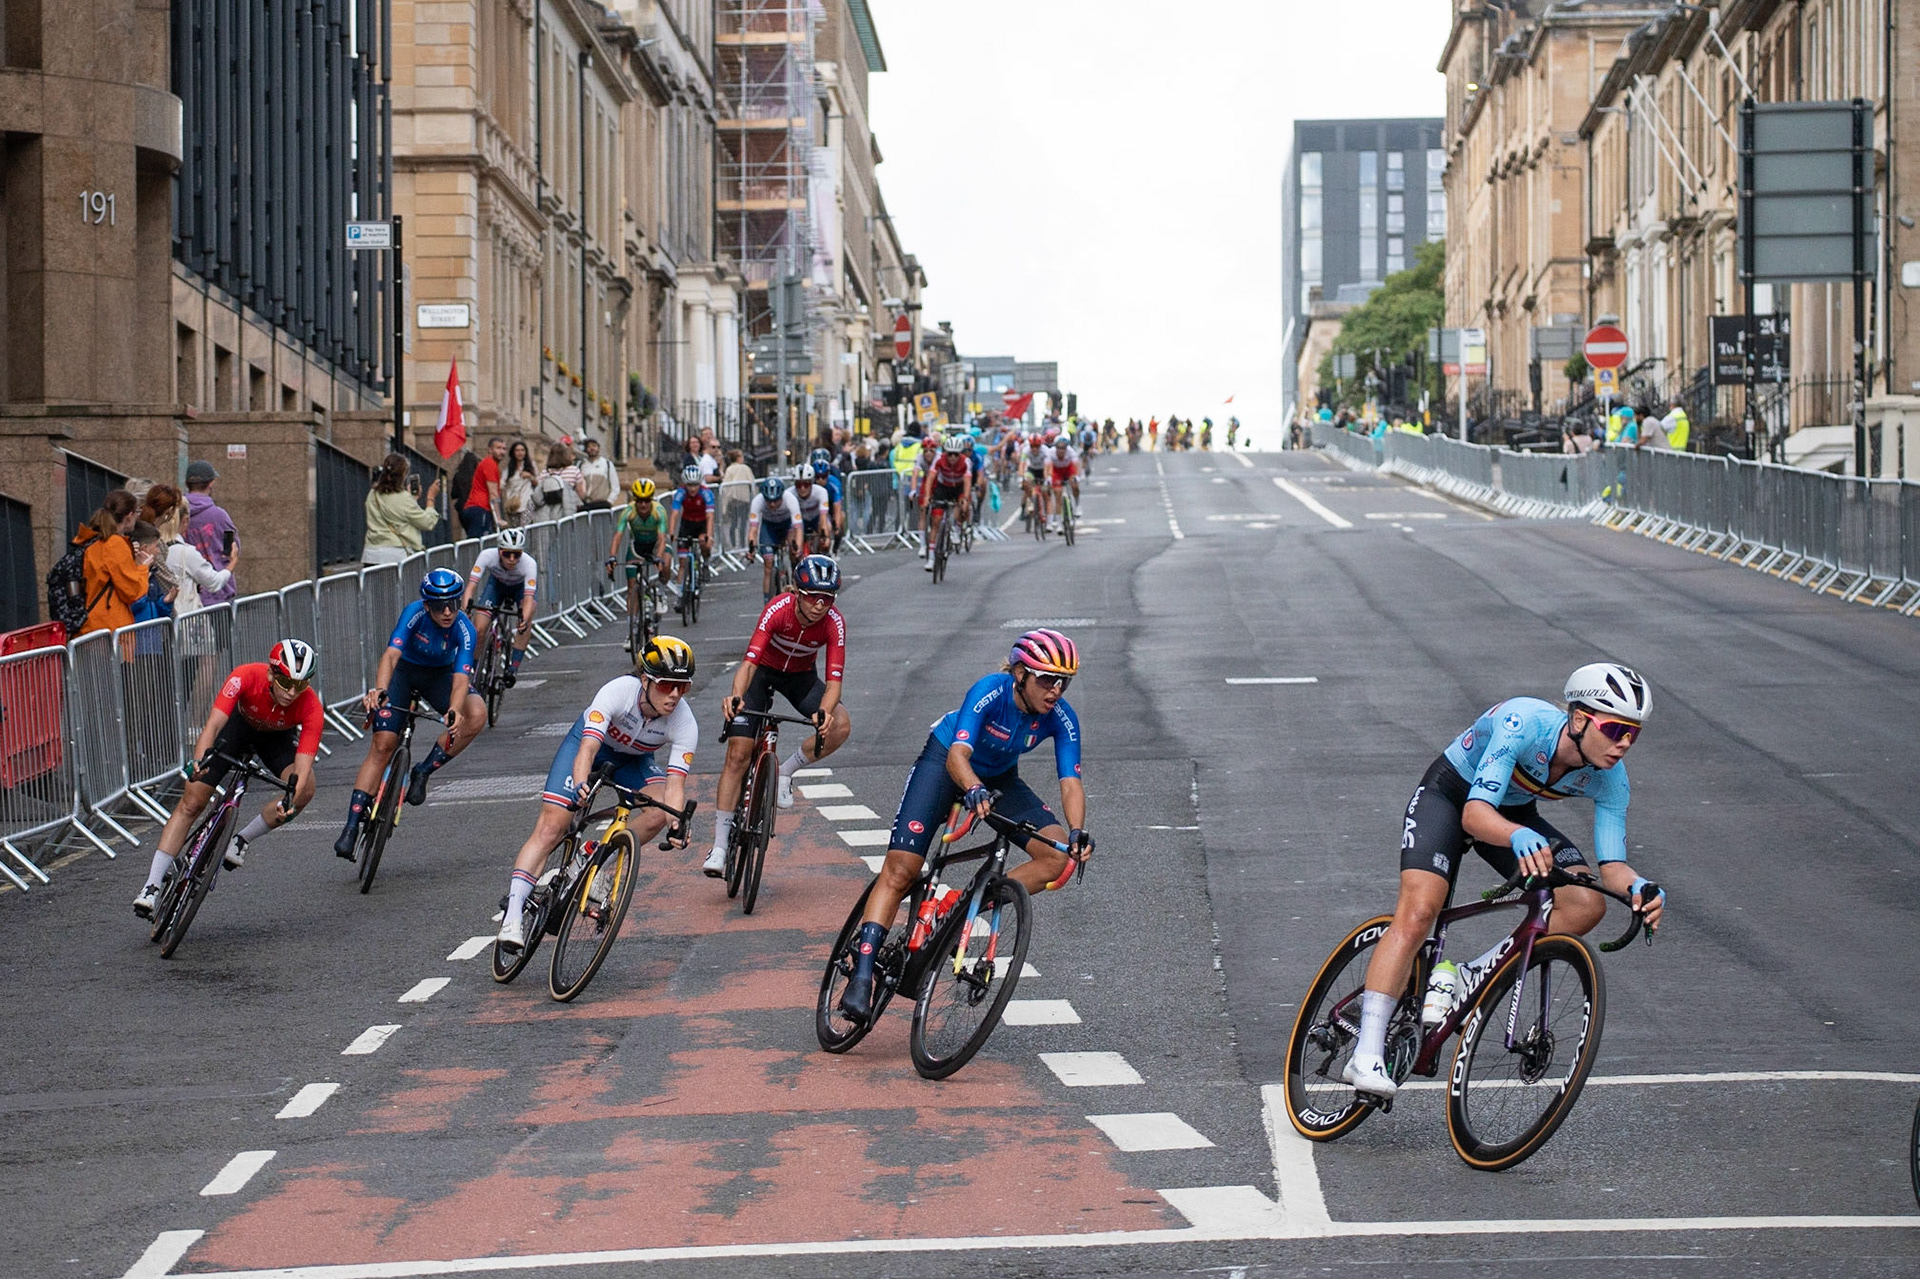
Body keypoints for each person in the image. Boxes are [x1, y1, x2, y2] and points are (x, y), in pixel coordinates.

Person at [1341, 664, 1664, 1099]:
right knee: (1420, 913)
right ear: (1580, 718)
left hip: (1513, 814)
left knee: (1587, 902)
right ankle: (1364, 1054)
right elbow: (1475, 815)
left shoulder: (1610, 779)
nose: (1623, 743)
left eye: (1633, 733)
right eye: (1614, 729)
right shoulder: (1523, 722)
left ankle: (1470, 976)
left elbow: (1613, 867)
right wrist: (1517, 834)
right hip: (1452, 796)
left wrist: (1639, 887)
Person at [838, 629, 1091, 1021]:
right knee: (902, 869)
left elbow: (1070, 781)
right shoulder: (990, 691)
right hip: (946, 764)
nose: (1056, 690)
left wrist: (1076, 831)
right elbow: (959, 754)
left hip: (999, 778)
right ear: (1021, 673)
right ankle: (863, 974)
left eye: (1063, 682)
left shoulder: (1061, 718)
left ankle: (961, 906)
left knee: (1056, 856)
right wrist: (971, 787)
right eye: (1046, 679)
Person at [496, 636, 699, 951]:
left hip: (634, 761)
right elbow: (588, 748)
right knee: (552, 827)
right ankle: (512, 917)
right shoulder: (617, 692)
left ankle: (596, 852)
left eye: (682, 687)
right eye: (665, 685)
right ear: (644, 679)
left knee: (660, 812)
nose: (674, 695)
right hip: (589, 748)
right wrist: (580, 784)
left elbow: (674, 786)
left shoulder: (684, 721)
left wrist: (677, 824)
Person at [133, 640, 323, 919]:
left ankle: (241, 839)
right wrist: (199, 762)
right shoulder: (245, 675)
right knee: (191, 803)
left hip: (276, 741)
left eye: (301, 685)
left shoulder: (311, 707)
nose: (292, 692)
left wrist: (290, 798)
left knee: (306, 789)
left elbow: (302, 767)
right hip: (237, 729)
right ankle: (151, 886)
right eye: (285, 681)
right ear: (271, 674)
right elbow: (214, 723)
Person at [705, 555, 852, 875]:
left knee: (840, 724)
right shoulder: (778, 609)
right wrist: (736, 696)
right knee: (738, 754)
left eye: (827, 598)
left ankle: (785, 771)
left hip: (799, 678)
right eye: (813, 596)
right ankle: (718, 846)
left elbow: (834, 682)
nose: (819, 605)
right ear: (798, 592)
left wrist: (825, 712)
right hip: (762, 674)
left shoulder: (834, 622)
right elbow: (748, 664)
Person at [332, 568, 486, 856]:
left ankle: (423, 770)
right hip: (404, 673)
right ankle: (351, 827)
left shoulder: (464, 628)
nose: (448, 612)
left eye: (453, 603)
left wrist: (454, 709)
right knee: (383, 744)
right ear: (427, 605)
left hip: (439, 676)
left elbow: (461, 677)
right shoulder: (414, 613)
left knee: (476, 713)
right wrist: (380, 689)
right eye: (440, 606)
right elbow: (391, 655)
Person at [69, 490, 150, 638]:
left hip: (88, 627)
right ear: (129, 516)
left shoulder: (91, 540)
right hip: (109, 629)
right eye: (137, 512)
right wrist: (143, 567)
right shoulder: (114, 544)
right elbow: (133, 591)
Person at [463, 525, 538, 683]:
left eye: (516, 554)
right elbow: (470, 587)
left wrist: (523, 619)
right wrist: (465, 610)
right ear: (499, 551)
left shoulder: (529, 564)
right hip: (496, 586)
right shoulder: (486, 555)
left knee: (527, 618)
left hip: (519, 589)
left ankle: (513, 668)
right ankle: (474, 669)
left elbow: (529, 598)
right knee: (479, 628)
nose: (511, 559)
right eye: (507, 554)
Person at [609, 479, 672, 646]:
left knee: (665, 563)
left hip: (656, 546)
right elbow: (618, 535)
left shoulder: (659, 511)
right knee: (632, 587)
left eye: (646, 500)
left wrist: (658, 557)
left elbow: (661, 538)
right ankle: (633, 629)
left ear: (651, 499)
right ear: (634, 500)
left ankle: (662, 592)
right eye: (639, 501)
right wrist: (612, 556)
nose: (643, 505)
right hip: (637, 548)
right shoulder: (628, 511)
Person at [363, 453, 443, 565]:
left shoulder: (372, 494)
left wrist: (412, 499)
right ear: (403, 474)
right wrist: (430, 498)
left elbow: (397, 513)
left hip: (371, 555)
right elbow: (427, 522)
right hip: (395, 556)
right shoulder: (404, 498)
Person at [183, 461, 238, 607]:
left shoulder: (179, 513)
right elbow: (231, 549)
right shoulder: (220, 516)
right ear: (211, 483)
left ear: (187, 484)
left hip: (186, 592)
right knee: (221, 630)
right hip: (218, 591)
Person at [919, 433, 973, 569]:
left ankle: (957, 528)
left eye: (956, 454)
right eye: (950, 454)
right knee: (936, 521)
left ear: (960, 454)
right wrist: (926, 496)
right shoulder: (939, 460)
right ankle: (931, 558)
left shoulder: (966, 462)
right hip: (943, 488)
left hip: (959, 488)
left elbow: (967, 482)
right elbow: (931, 478)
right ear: (945, 453)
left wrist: (965, 499)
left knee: (964, 507)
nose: (953, 457)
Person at [747, 475, 804, 602]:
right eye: (769, 501)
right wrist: (751, 548)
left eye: (776, 500)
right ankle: (767, 601)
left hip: (787, 526)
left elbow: (798, 528)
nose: (772, 504)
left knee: (794, 552)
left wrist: (798, 548)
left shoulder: (790, 499)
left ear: (782, 496)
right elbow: (753, 529)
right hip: (769, 528)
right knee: (768, 564)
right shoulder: (757, 501)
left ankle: (796, 591)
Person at [666, 464, 713, 600]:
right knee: (682, 562)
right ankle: (680, 595)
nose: (692, 489)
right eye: (689, 485)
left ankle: (705, 563)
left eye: (695, 485)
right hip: (687, 525)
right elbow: (674, 513)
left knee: (704, 542)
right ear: (684, 484)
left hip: (702, 524)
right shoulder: (680, 493)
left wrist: (709, 536)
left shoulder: (706, 493)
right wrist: (671, 533)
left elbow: (710, 516)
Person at [463, 438, 507, 538]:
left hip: (474, 508)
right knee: (478, 544)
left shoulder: (489, 464)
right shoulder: (490, 464)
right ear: (490, 450)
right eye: (498, 448)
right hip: (480, 508)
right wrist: (498, 519)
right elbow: (493, 493)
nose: (502, 452)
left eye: (504, 449)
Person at [790, 464, 834, 556]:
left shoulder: (821, 492)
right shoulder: (789, 494)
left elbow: (823, 517)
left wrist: (824, 536)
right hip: (799, 521)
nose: (802, 488)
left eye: (806, 484)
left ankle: (824, 555)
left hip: (816, 519)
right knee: (793, 545)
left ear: (811, 483)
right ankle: (795, 566)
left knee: (827, 529)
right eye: (798, 484)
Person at [535, 442, 586, 517]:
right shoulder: (574, 471)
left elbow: (537, 493)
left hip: (548, 513)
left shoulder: (544, 473)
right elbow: (581, 493)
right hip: (569, 512)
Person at [720, 449, 757, 549]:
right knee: (743, 523)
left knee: (734, 522)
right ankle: (742, 545)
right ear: (738, 458)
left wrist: (725, 502)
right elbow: (752, 483)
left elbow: (725, 486)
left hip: (734, 499)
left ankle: (733, 545)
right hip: (745, 499)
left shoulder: (729, 469)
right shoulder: (746, 468)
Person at [499, 440, 538, 528]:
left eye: (522, 450)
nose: (520, 453)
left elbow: (537, 482)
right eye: (517, 450)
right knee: (516, 529)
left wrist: (530, 476)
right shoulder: (508, 469)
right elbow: (501, 484)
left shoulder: (531, 465)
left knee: (525, 526)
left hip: (527, 500)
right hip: (513, 503)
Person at [1045, 435, 1081, 533]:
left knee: (1075, 485)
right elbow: (1047, 467)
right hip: (1057, 472)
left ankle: (1077, 505)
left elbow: (1076, 466)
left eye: (1063, 448)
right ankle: (1059, 525)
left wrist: (1077, 476)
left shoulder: (1071, 452)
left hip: (1068, 469)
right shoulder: (1050, 452)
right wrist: (1048, 478)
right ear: (1055, 447)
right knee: (1058, 494)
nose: (1061, 450)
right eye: (1059, 448)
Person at [577, 437, 619, 511]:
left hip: (602, 505)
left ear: (598, 448)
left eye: (594, 446)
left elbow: (615, 486)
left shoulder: (607, 464)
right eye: (589, 446)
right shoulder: (581, 465)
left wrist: (609, 501)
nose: (591, 448)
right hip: (585, 505)